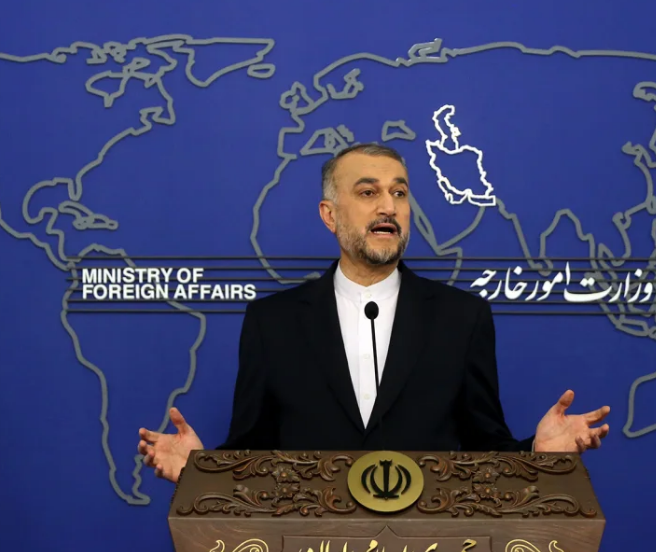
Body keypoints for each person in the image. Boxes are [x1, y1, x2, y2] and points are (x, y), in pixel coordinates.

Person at [139, 143, 610, 483]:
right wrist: (200, 470)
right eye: (368, 193)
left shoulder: (462, 318)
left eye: (399, 193)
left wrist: (536, 452)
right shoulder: (272, 322)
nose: (389, 206)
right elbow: (251, 452)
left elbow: (485, 449)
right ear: (329, 215)